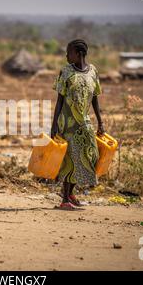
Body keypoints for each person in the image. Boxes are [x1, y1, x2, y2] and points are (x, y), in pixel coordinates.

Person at [50, 39, 105, 210]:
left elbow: (95, 98)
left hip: (84, 123)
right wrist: (54, 125)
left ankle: (70, 194)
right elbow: (59, 101)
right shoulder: (65, 72)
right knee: (70, 160)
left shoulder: (93, 71)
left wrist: (100, 122)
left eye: (69, 52)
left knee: (91, 156)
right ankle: (64, 199)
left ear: (79, 53)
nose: (66, 55)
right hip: (67, 123)